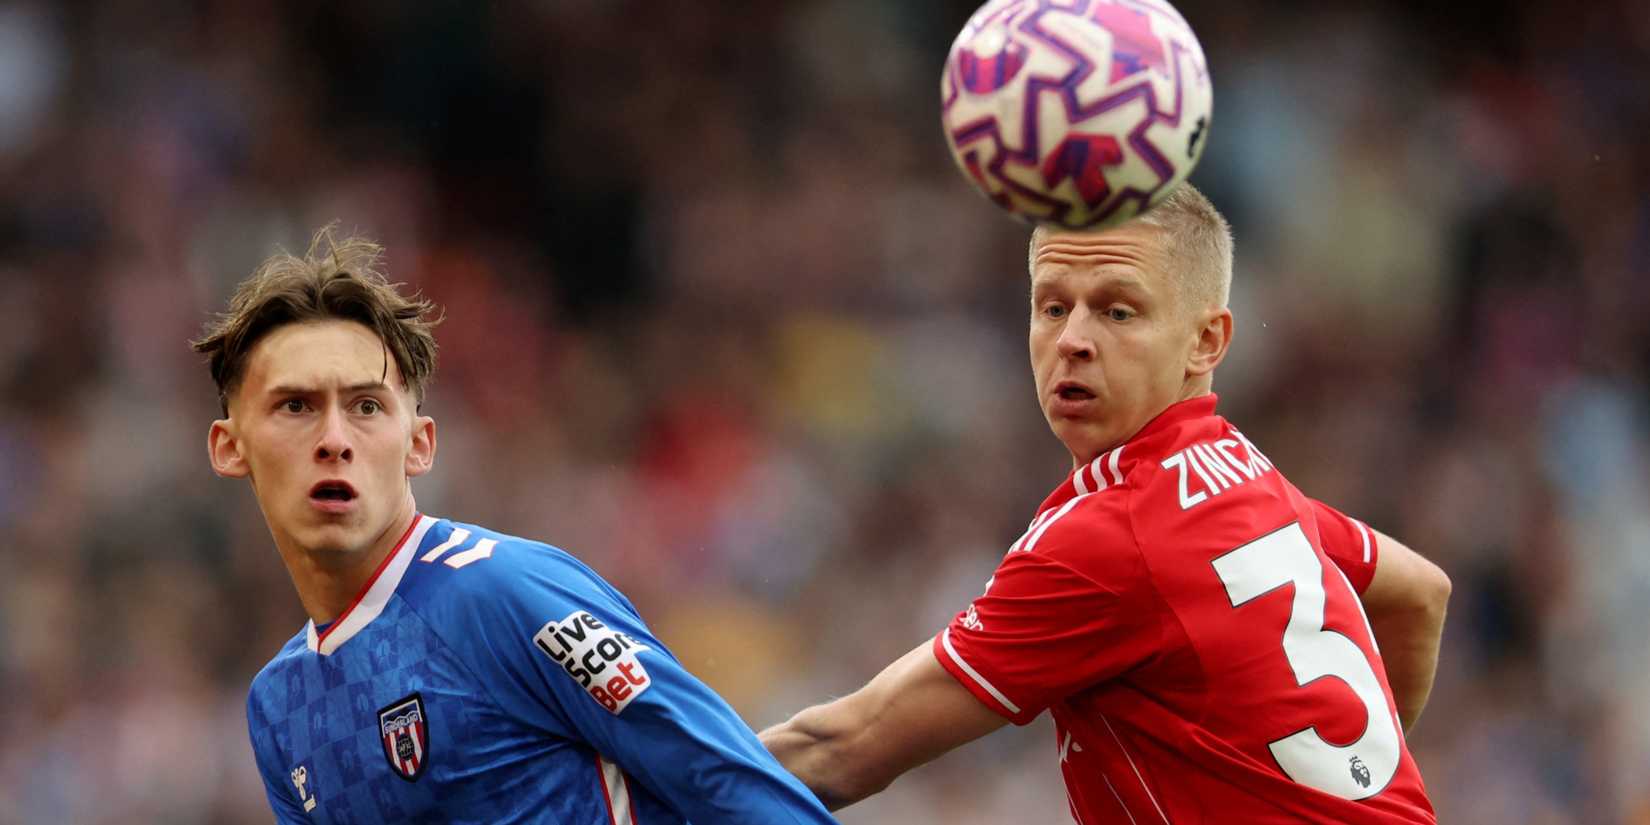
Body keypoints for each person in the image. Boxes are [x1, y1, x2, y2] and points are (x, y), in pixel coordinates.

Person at [761, 185, 1450, 823]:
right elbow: (1420, 592)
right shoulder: (1249, 478)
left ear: (1206, 341)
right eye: (1053, 306)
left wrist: (657, 777)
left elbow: (843, 750)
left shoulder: (1111, 534)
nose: (1072, 340)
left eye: (1118, 310)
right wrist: (1344, 781)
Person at [193, 228, 838, 825]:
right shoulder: (279, 706)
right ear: (230, 446)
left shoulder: (503, 594)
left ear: (420, 445)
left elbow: (732, 781)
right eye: (296, 406)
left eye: (366, 406)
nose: (334, 439)